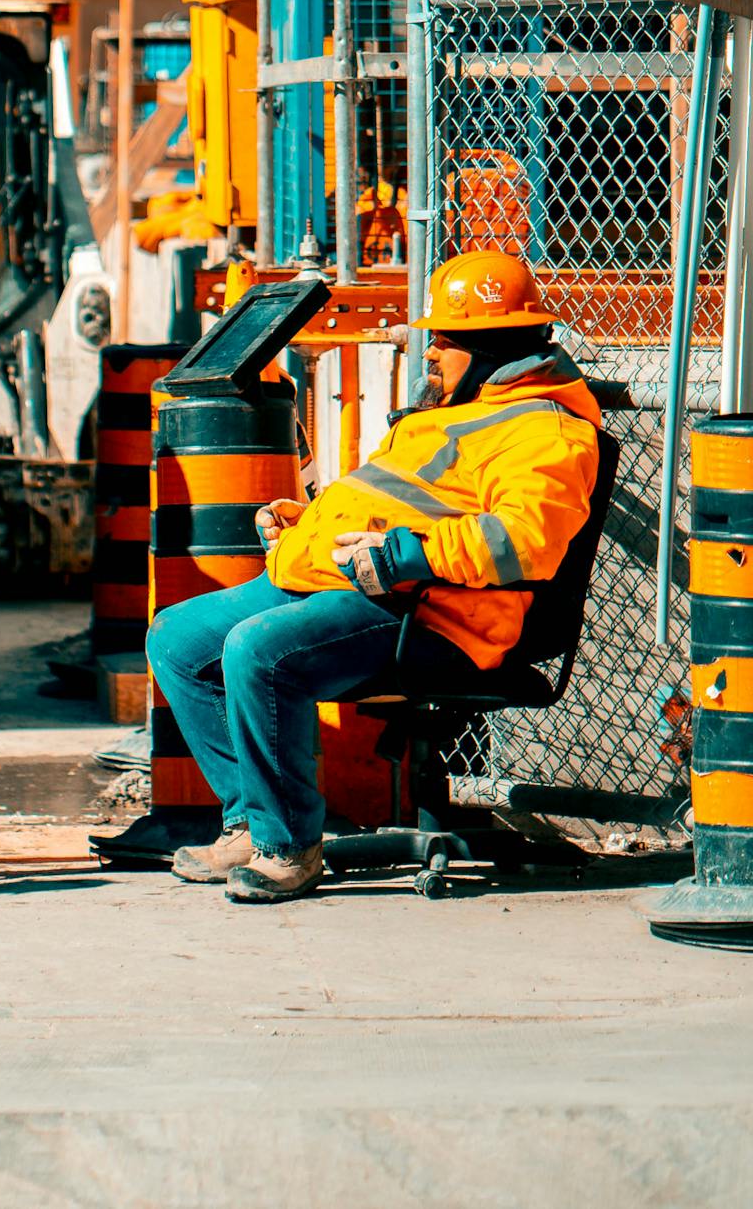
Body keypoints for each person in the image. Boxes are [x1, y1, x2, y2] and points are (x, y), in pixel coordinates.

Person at [145, 250, 600, 904]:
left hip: (433, 613)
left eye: (444, 340)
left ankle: (287, 849)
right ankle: (249, 821)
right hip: (352, 582)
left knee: (258, 651)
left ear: (493, 346)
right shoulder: (445, 412)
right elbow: (395, 500)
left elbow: (525, 543)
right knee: (179, 640)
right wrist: (305, 525)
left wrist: (407, 556)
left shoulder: (547, 432)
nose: (432, 354)